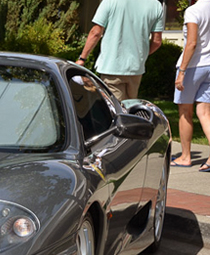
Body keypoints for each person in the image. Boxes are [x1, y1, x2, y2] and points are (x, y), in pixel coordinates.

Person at [76, 0, 164, 101]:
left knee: (114, 110)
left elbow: (96, 32)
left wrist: (82, 59)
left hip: (112, 67)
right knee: (130, 108)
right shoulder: (155, 5)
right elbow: (157, 42)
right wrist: (140, 55)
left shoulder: (110, 1)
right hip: (136, 69)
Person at [172, 0, 210, 171]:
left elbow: (191, 43)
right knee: (204, 113)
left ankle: (185, 157)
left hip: (194, 67)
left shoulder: (193, 11)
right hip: (209, 65)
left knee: (185, 111)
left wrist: (182, 71)